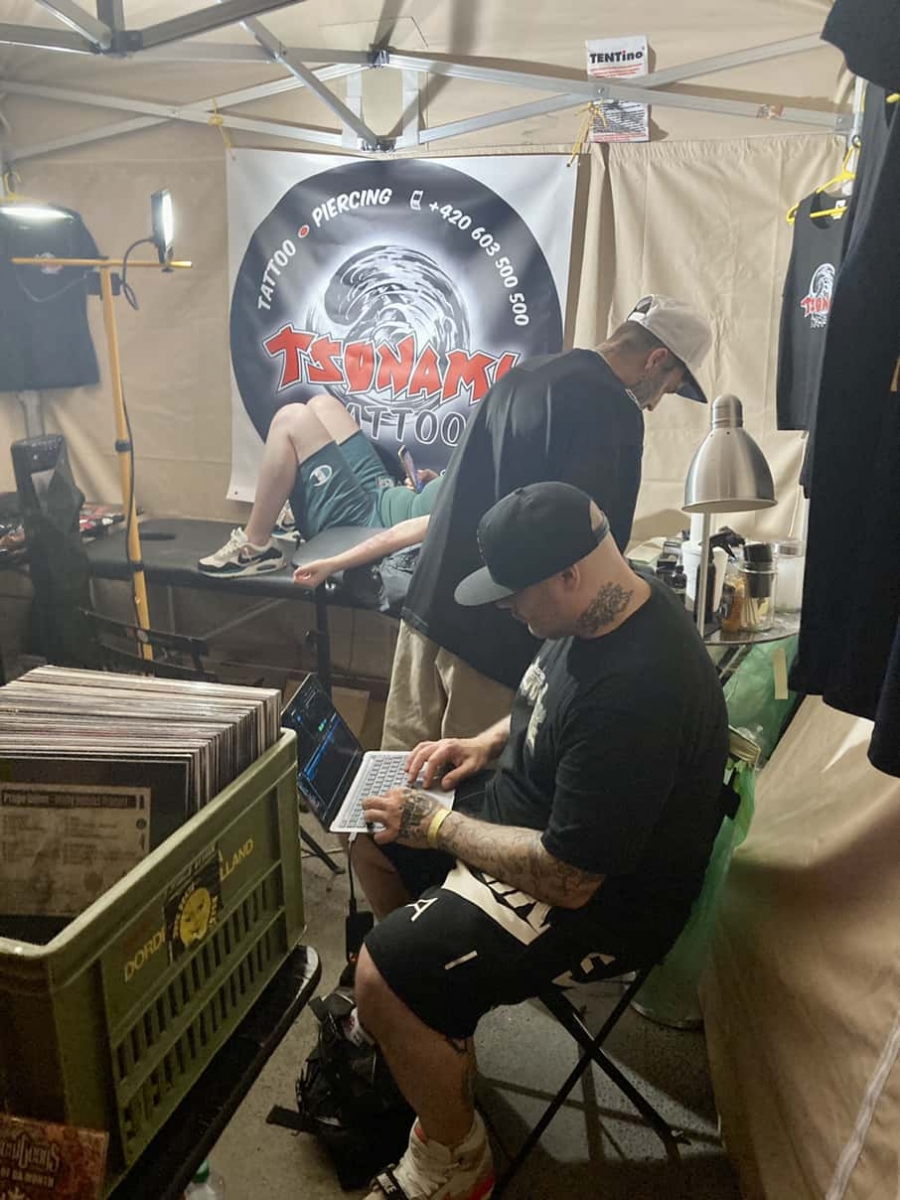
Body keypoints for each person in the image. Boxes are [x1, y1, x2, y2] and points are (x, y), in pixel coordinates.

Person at [350, 482, 729, 1200]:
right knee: (370, 840)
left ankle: (455, 1162)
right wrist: (484, 743)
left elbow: (569, 878)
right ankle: (432, 1017)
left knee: (379, 974)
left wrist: (438, 826)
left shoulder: (640, 690)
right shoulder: (608, 602)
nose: (506, 609)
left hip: (602, 900)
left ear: (569, 574)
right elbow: (549, 701)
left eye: (514, 594)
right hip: (534, 822)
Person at [381, 293, 714, 750]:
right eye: (667, 389)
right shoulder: (612, 410)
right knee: (468, 783)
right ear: (655, 360)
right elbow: (589, 554)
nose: (655, 405)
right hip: (493, 641)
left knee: (393, 775)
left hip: (426, 610)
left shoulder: (525, 375)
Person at [198, 393, 441, 579]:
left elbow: (407, 533)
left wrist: (334, 564)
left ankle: (255, 547)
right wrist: (434, 482)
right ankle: (299, 510)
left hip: (368, 523)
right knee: (323, 405)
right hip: (384, 492)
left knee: (290, 419)